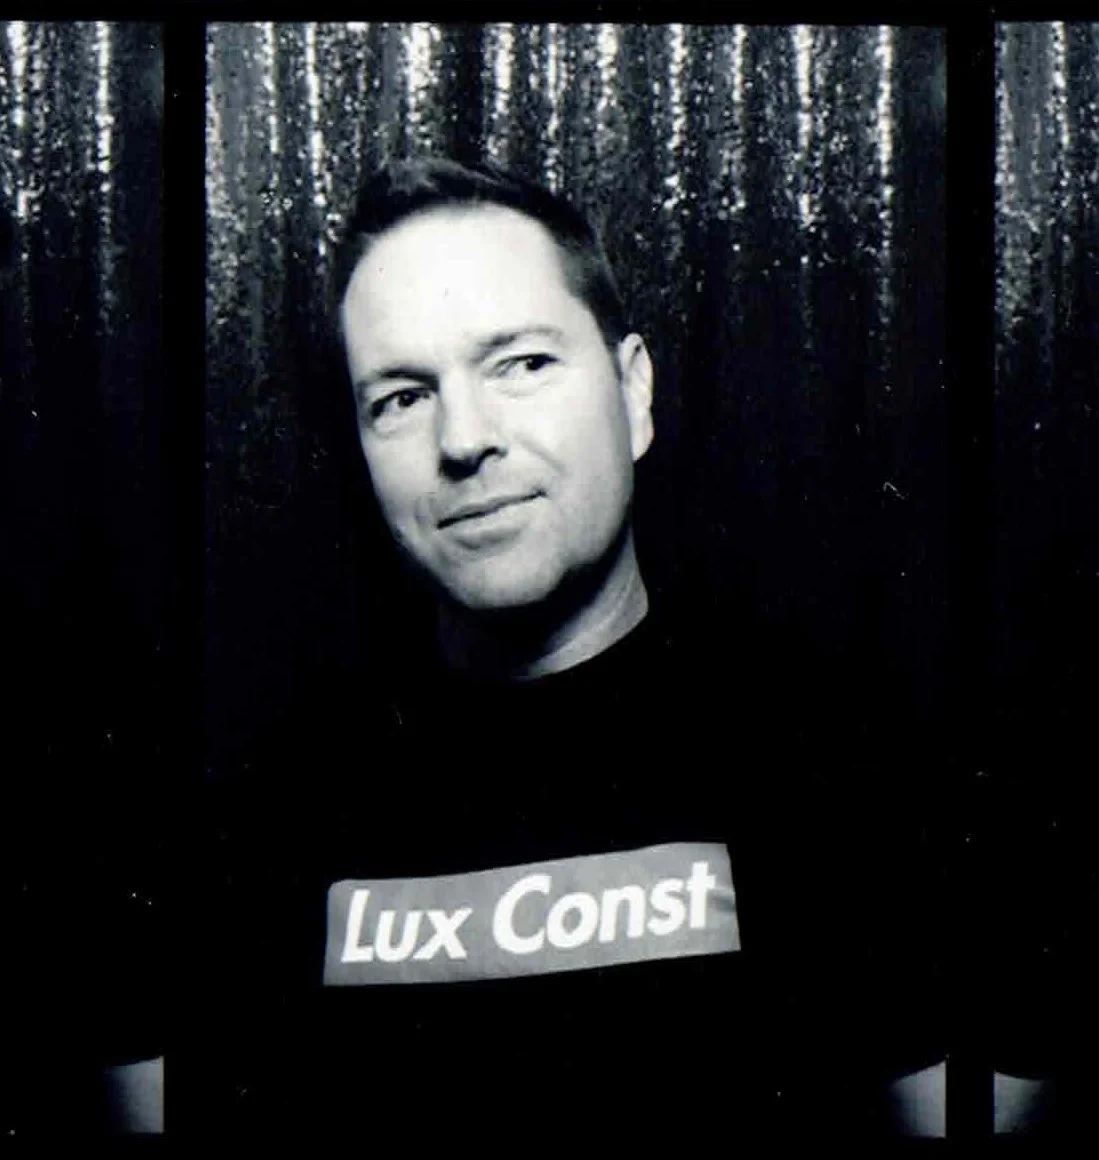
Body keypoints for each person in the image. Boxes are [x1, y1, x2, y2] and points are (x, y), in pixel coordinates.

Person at [186, 157, 944, 1139]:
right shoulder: (269, 804)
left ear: (633, 392)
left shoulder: (836, 759)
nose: (464, 439)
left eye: (520, 363)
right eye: (403, 396)